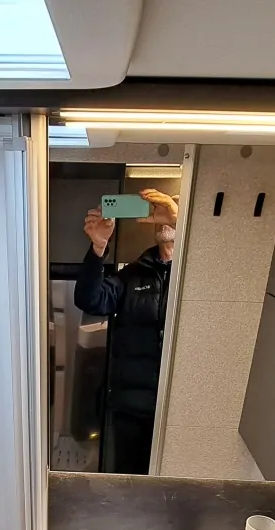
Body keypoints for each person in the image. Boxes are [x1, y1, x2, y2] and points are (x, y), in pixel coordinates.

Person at [73, 188, 178, 474]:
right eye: (160, 211)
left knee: (173, 485)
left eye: (172, 209)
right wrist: (98, 248)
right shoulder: (133, 274)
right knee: (129, 482)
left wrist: (179, 220)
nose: (165, 216)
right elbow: (90, 300)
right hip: (131, 408)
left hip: (180, 409)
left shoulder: (198, 274)